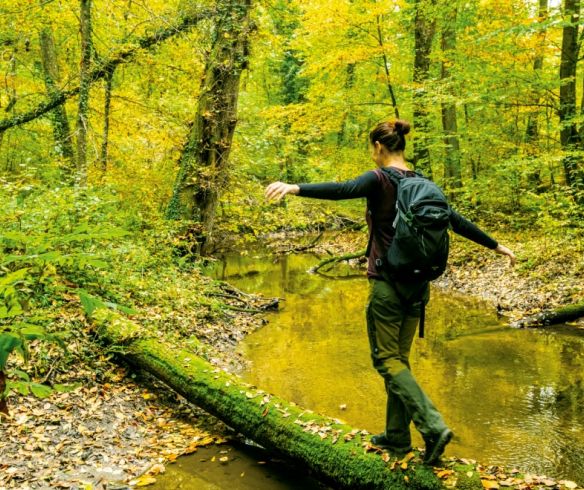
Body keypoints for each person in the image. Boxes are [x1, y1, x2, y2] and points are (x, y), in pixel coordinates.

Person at [265, 119, 516, 465]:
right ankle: (397, 438)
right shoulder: (424, 183)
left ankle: (432, 426)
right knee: (399, 362)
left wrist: (294, 187)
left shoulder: (378, 179)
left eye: (372, 149)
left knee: (386, 360)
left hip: (386, 286)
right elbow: (455, 221)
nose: (372, 154)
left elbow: (341, 189)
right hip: (418, 290)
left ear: (380, 148)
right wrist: (496, 245)